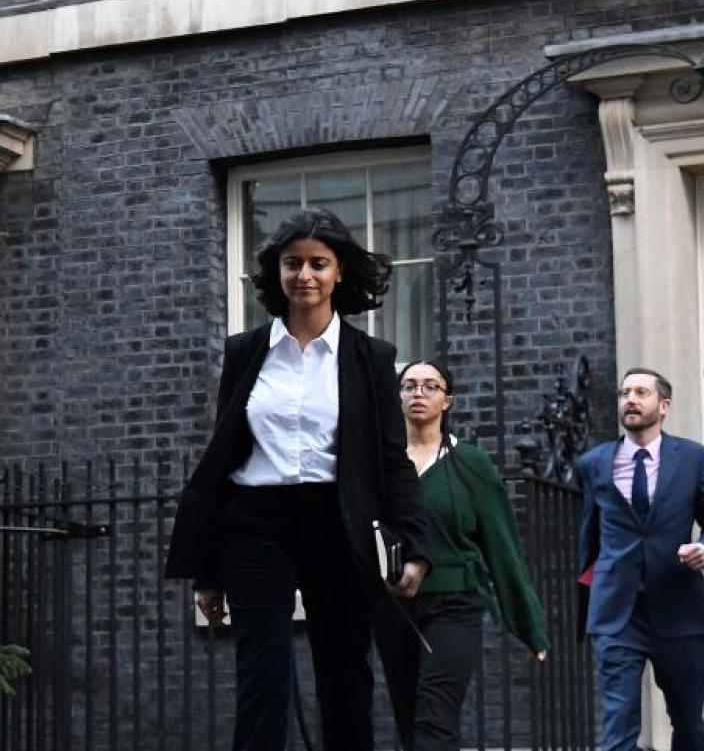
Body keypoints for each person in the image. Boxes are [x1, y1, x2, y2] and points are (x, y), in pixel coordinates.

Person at [164, 207, 431, 751]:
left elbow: (393, 459)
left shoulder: (371, 357)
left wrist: (415, 544)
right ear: (278, 272)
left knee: (345, 673)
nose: (304, 275)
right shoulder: (245, 352)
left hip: (337, 522)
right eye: (292, 263)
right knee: (262, 674)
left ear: (339, 272)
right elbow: (222, 458)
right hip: (254, 524)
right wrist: (208, 571)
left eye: (318, 263)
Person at [373, 359, 550, 751]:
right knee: (408, 718)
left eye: (430, 386)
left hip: (454, 603)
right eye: (409, 386)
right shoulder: (382, 464)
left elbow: (503, 547)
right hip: (394, 607)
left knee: (435, 715)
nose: (418, 393)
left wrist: (529, 624)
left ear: (447, 400)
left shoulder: (470, 464)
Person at [576, 368, 704, 751]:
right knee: (618, 726)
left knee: (688, 722)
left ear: (664, 406)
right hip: (618, 612)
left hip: (679, 606)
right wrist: (589, 598)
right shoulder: (594, 463)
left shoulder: (693, 459)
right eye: (625, 393)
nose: (630, 399)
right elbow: (589, 536)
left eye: (641, 393)